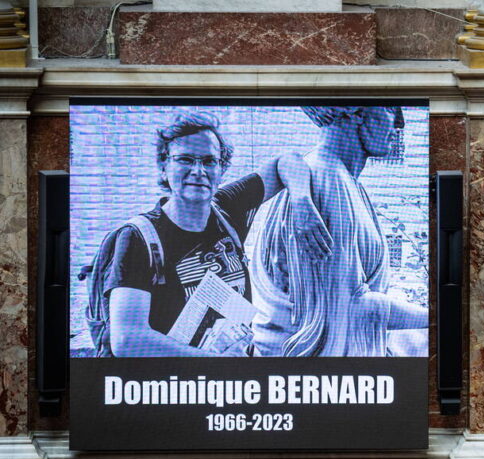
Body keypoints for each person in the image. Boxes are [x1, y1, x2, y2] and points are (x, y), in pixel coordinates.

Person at [105, 111, 331, 357]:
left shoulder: (226, 208)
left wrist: (302, 201)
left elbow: (286, 161)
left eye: (209, 161)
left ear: (222, 169)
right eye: (185, 160)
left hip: (228, 376)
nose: (198, 171)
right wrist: (215, 362)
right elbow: (127, 339)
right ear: (163, 168)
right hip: (170, 385)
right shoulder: (138, 237)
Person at [250, 106, 428, 357]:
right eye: (389, 107)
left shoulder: (342, 180)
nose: (400, 123)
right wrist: (433, 318)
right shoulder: (327, 181)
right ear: (352, 112)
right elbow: (347, 309)